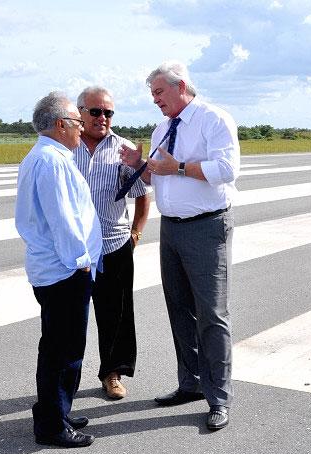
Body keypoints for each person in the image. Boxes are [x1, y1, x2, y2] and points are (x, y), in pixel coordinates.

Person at [119, 61, 239, 431]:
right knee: (179, 310)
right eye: (152, 94)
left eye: (159, 92)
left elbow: (226, 169)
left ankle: (219, 397)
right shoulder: (161, 128)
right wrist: (142, 165)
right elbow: (162, 179)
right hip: (171, 229)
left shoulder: (213, 120)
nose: (155, 100)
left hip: (206, 227)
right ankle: (191, 384)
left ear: (181, 86)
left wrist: (181, 168)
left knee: (212, 315)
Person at [15, 91, 102, 447]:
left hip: (56, 269)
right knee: (63, 351)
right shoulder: (53, 161)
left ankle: (57, 409)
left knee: (56, 346)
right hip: (65, 271)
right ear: (61, 124)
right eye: (78, 121)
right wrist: (81, 264)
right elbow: (63, 219)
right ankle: (52, 426)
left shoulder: (47, 156)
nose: (82, 128)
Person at [73, 85, 151, 400]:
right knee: (69, 317)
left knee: (115, 315)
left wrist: (135, 234)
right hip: (74, 249)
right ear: (79, 113)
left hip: (114, 245)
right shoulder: (66, 146)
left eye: (108, 113)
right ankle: (65, 381)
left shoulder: (123, 149)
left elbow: (143, 195)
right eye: (95, 111)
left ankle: (112, 373)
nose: (102, 118)